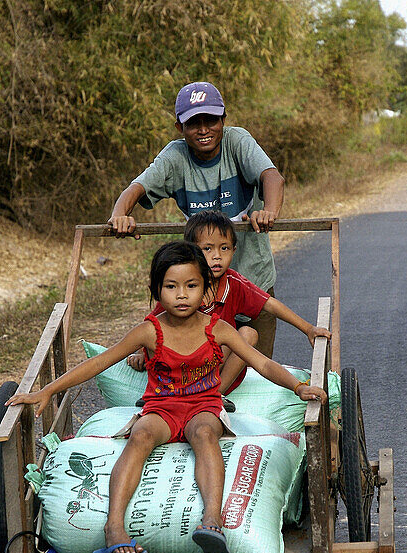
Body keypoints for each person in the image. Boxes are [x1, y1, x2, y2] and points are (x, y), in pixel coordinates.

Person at [6, 241, 327, 553]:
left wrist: (298, 387)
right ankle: (114, 527)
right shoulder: (149, 331)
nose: (182, 295)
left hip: (203, 405)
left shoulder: (219, 330)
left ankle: (212, 521)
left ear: (206, 291)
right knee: (140, 435)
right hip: (161, 407)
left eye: (191, 286)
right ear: (157, 291)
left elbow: (263, 364)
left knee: (204, 434)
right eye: (171, 287)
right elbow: (99, 363)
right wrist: (46, 390)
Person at [108, 81, 285, 357]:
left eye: (211, 120)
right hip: (202, 292)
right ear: (180, 128)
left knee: (256, 370)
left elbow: (271, 176)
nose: (204, 130)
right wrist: (120, 215)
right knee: (201, 365)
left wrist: (269, 211)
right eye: (194, 123)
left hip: (252, 281)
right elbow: (136, 188)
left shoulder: (237, 142)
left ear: (223, 120)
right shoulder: (175, 156)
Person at [127, 210, 332, 394]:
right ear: (191, 251)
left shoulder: (232, 283)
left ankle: (217, 394)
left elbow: (269, 303)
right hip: (181, 366)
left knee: (249, 333)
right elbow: (153, 325)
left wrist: (308, 329)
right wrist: (141, 353)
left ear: (234, 250)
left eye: (224, 248)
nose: (217, 256)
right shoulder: (179, 288)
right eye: (207, 249)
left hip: (216, 364)